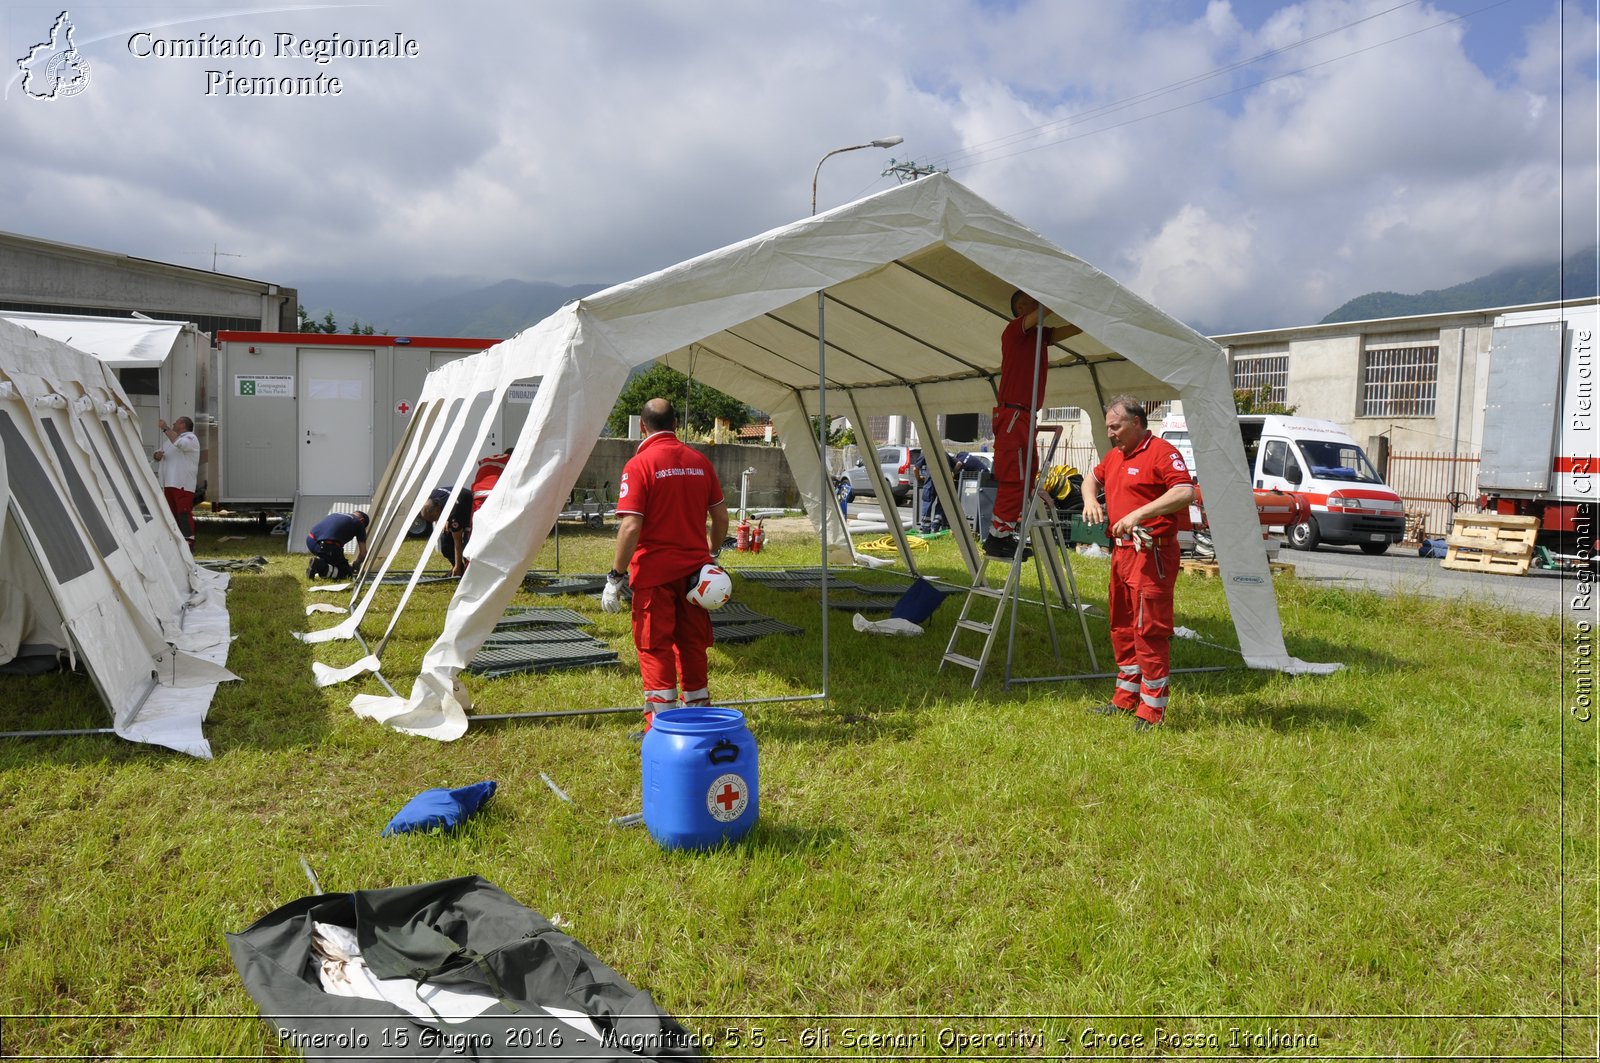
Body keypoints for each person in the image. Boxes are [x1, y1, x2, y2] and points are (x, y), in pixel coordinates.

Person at [602, 399, 729, 729]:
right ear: (675, 423)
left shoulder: (639, 464)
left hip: (654, 578)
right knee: (692, 646)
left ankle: (661, 729)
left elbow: (631, 526)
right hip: (695, 579)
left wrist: (615, 576)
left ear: (643, 426)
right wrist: (711, 555)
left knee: (655, 647)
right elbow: (720, 516)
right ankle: (700, 720)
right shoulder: (700, 462)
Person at [1080, 397, 1195, 732]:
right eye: (1107, 429)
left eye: (1115, 427)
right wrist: (1090, 499)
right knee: (1122, 626)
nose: (1111, 434)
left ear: (1136, 422)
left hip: (1151, 554)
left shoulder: (1161, 452)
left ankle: (1151, 711)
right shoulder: (1116, 456)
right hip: (1121, 554)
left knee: (1149, 630)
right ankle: (1125, 699)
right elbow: (1092, 479)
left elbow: (1184, 491)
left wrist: (1138, 514)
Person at [984, 290, 1082, 559]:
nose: (1036, 303)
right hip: (1013, 415)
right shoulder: (1015, 330)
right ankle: (997, 536)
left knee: (1029, 476)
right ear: (1020, 308)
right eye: (1030, 300)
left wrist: (1087, 317)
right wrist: (1052, 295)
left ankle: (1007, 531)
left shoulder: (1039, 336)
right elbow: (1041, 312)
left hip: (1026, 416)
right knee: (1014, 477)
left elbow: (1066, 331)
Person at [152, 415, 200, 548]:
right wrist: (157, 455)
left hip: (182, 484)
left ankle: (188, 541)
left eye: (176, 422)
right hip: (169, 484)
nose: (174, 423)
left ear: (183, 425)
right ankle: (176, 541)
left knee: (183, 512)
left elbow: (181, 444)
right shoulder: (170, 440)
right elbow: (158, 453)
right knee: (172, 513)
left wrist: (165, 428)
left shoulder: (190, 438)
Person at [419, 486, 474, 576]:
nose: (435, 522)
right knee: (445, 546)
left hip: (468, 508)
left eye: (435, 519)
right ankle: (457, 567)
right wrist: (445, 519)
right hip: (453, 506)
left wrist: (458, 565)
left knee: (466, 546)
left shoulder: (454, 513)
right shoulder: (431, 496)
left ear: (439, 511)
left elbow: (458, 543)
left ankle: (463, 570)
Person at [305, 510, 370, 580]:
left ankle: (318, 565)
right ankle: (320, 565)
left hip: (310, 540)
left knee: (333, 561)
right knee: (345, 573)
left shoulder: (336, 514)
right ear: (362, 520)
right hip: (326, 546)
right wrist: (356, 565)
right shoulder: (359, 523)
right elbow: (363, 553)